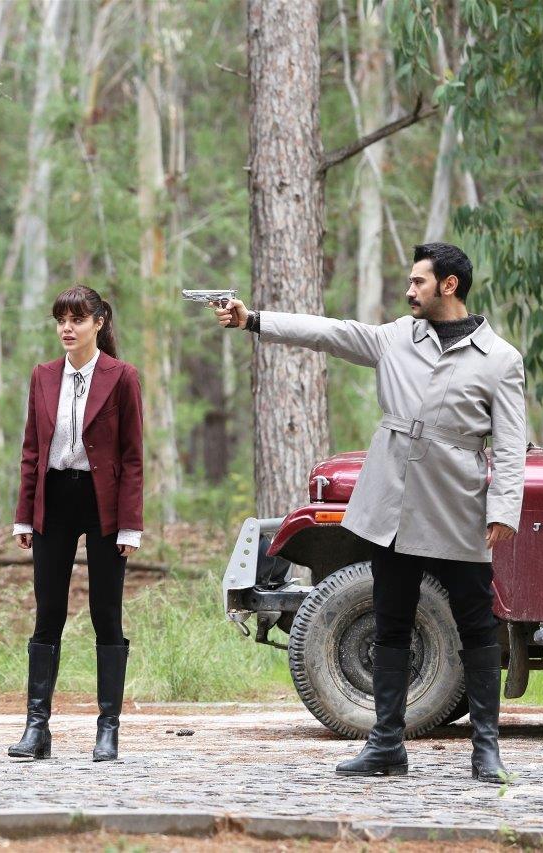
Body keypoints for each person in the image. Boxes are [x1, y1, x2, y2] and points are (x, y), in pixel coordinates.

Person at [213, 242, 526, 784]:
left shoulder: (500, 359)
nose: (409, 290)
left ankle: (486, 749)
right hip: (394, 503)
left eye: (419, 281)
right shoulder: (397, 337)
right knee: (391, 621)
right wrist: (254, 320)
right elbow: (330, 332)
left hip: (456, 504)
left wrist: (504, 509)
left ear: (449, 285)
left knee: (477, 625)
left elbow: (511, 445)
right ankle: (386, 745)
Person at [10, 285, 144, 762]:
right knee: (49, 613)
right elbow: (32, 449)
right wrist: (24, 514)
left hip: (102, 502)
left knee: (105, 613)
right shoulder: (43, 376)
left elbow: (132, 457)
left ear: (98, 323)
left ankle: (108, 729)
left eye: (77, 320)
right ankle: (36, 728)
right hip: (54, 500)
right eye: (61, 320)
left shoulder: (122, 377)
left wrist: (130, 526)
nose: (67, 328)